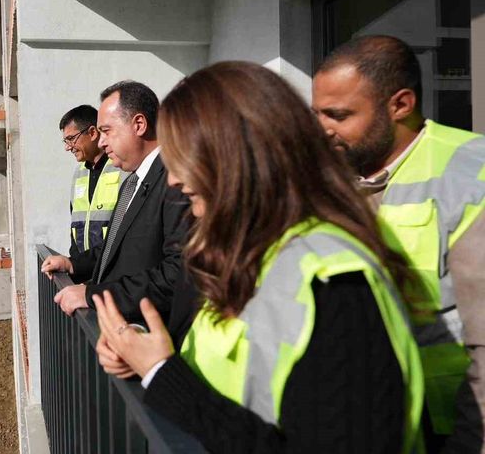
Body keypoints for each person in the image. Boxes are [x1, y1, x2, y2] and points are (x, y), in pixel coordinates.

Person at [94, 62, 423, 453]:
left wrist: (162, 375)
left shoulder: (337, 285)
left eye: (184, 158)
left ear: (237, 155)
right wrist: (144, 356)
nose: (174, 180)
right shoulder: (238, 253)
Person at [312, 35, 485, 452]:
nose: (323, 129)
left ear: (401, 105)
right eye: (316, 114)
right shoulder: (330, 177)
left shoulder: (470, 175)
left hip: (447, 426)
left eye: (338, 115)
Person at [40, 81, 189, 321]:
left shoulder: (176, 181)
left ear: (139, 125)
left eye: (107, 131)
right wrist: (73, 265)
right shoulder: (133, 182)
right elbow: (114, 248)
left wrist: (94, 296)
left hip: (149, 334)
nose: (101, 142)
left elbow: (177, 276)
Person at [59, 105, 125, 259]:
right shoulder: (79, 173)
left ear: (92, 133)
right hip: (85, 268)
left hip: (113, 266)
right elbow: (75, 225)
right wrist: (75, 264)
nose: (68, 147)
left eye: (71, 139)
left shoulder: (121, 168)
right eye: (65, 141)